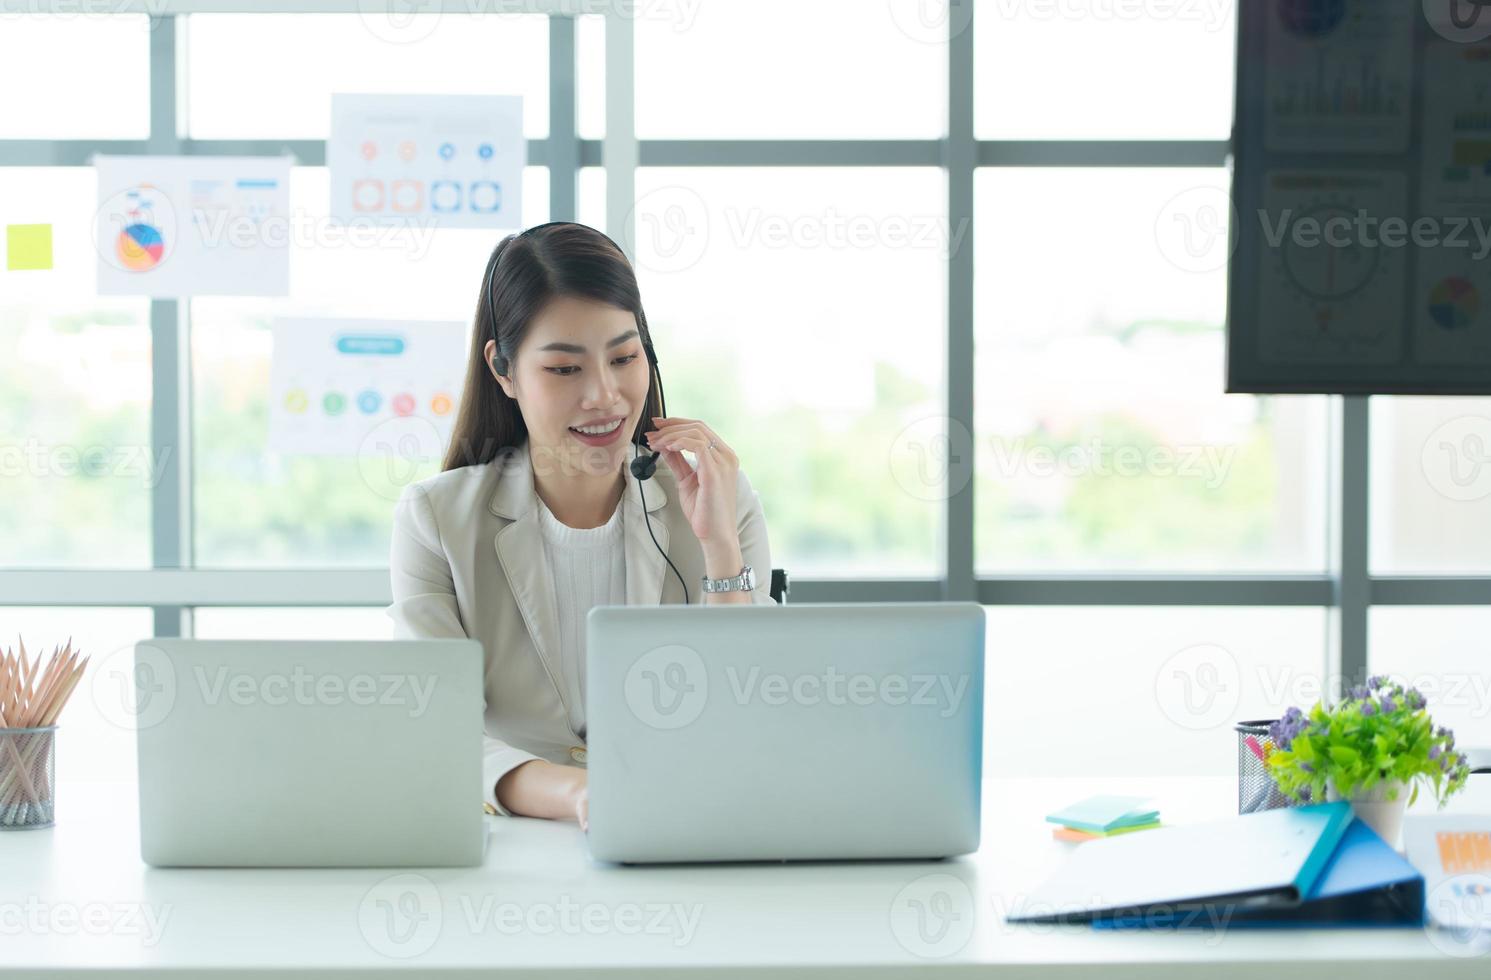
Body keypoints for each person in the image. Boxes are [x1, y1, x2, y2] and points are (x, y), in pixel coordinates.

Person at [387, 221, 774, 829]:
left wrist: (722, 553)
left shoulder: (719, 497)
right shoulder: (436, 520)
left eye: (624, 357)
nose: (606, 395)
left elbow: (750, 715)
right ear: (505, 370)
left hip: (690, 830)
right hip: (509, 852)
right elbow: (436, 730)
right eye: (565, 370)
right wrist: (581, 795)